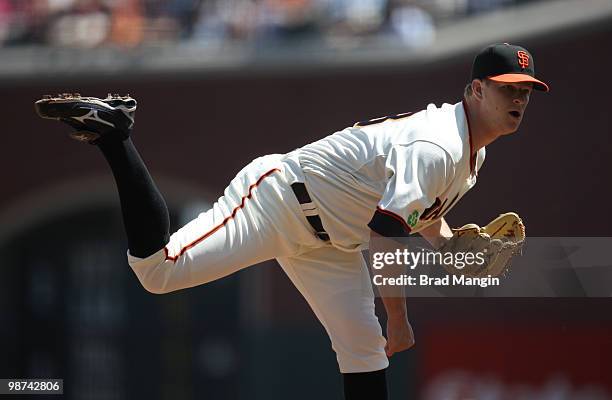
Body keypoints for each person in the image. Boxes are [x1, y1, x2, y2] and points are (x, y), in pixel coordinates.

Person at [35, 43, 548, 400]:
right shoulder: (439, 145)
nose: (519, 99)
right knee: (158, 271)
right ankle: (116, 135)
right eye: (507, 88)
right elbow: (387, 233)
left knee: (364, 353)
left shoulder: (469, 156)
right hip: (280, 201)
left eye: (526, 90)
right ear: (475, 91)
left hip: (333, 243)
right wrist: (398, 317)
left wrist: (451, 246)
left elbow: (416, 219)